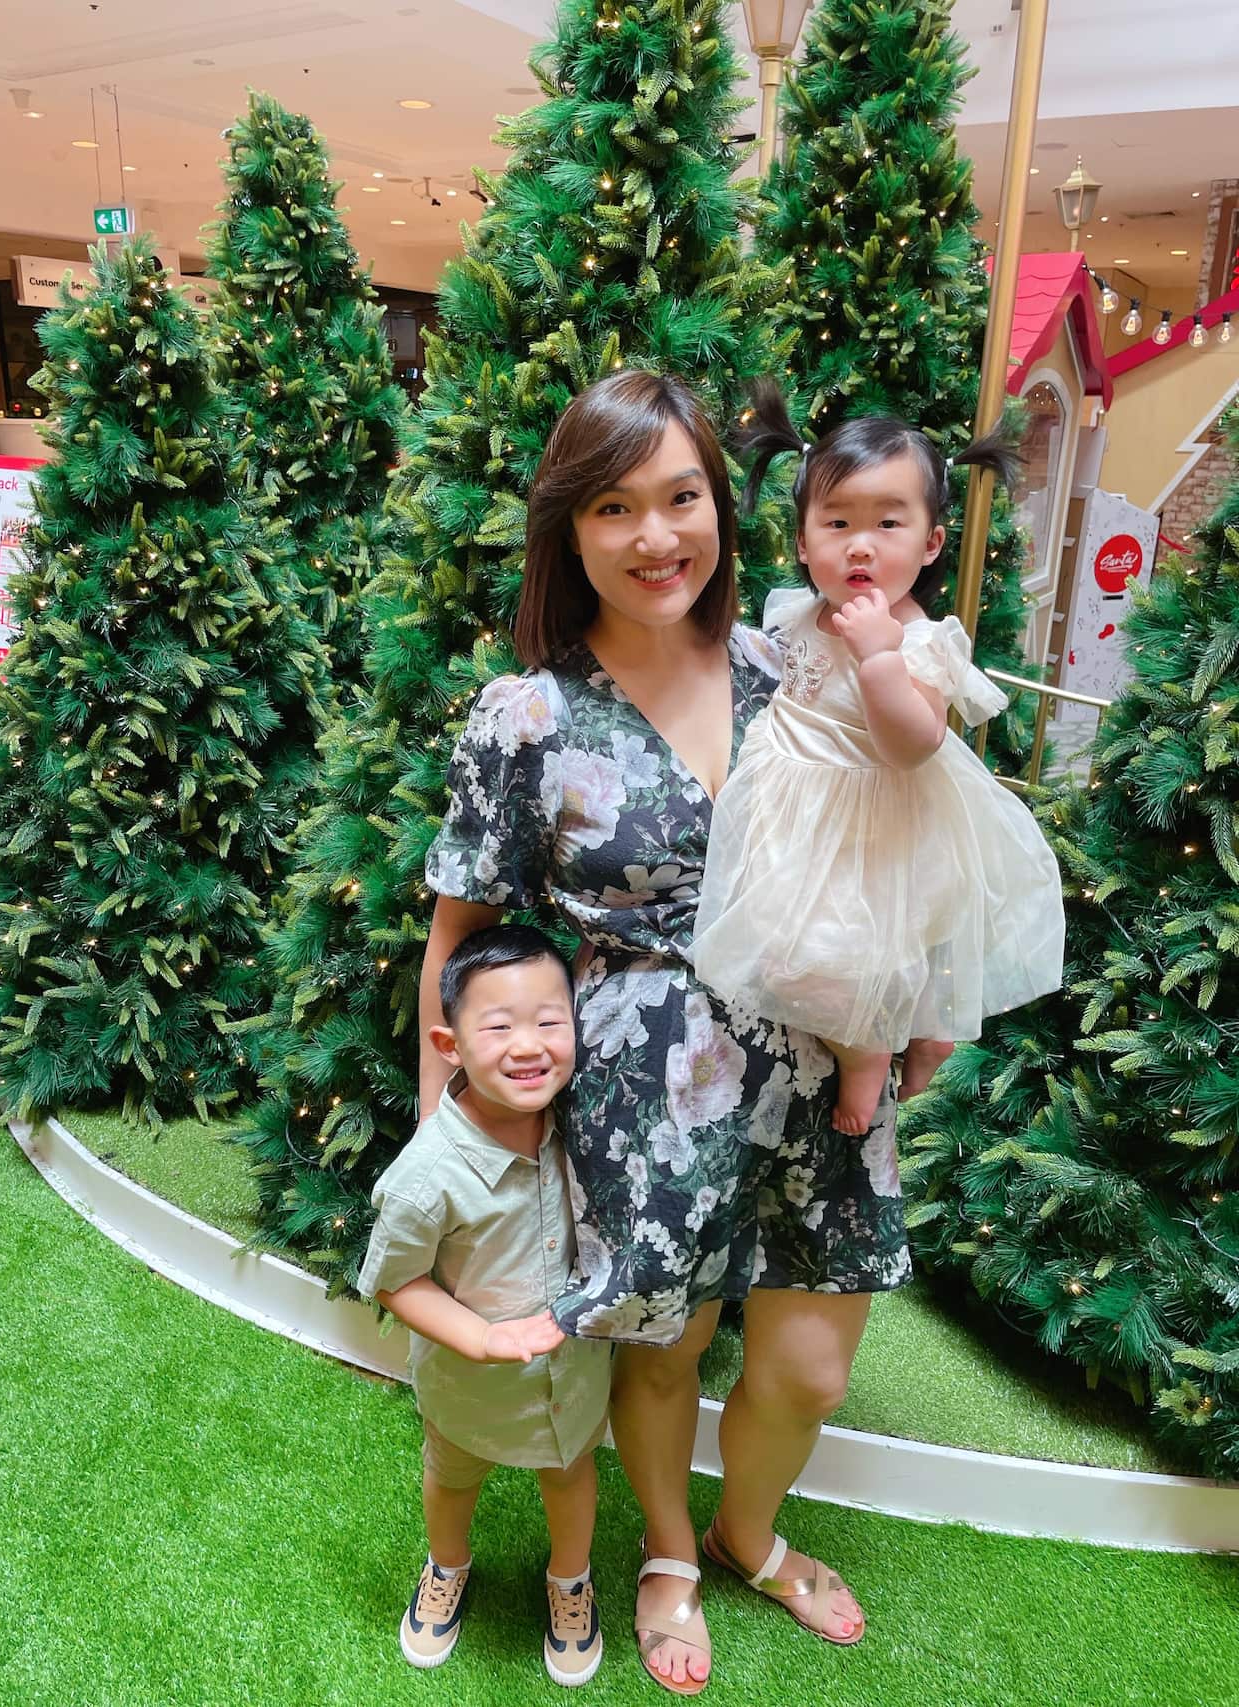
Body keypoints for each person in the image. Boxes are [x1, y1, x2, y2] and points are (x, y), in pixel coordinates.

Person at [420, 370, 907, 1695]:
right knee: (665, 1344)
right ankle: (675, 1552)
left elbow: (892, 843)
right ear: (568, 528)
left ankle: (754, 1528)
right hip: (646, 1081)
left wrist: (915, 1005)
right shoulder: (525, 713)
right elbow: (458, 934)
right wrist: (441, 1130)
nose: (654, 534)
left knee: (806, 1368)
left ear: (721, 507)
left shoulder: (792, 665)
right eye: (615, 504)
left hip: (820, 1063)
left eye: (681, 495)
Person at [694, 382, 1065, 1134]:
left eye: (888, 522)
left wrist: (879, 661)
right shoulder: (796, 610)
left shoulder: (920, 641)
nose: (860, 544)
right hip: (797, 802)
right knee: (786, 938)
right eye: (836, 522)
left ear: (931, 543)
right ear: (802, 541)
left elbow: (914, 743)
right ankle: (923, 1031)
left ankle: (871, 1057)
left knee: (853, 954)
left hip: (872, 822)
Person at [357, 923, 610, 1687]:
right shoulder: (427, 1171)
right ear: (449, 1042)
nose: (528, 1045)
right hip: (466, 1384)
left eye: (549, 1020)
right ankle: (447, 1566)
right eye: (498, 1026)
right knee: (452, 1475)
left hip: (571, 1376)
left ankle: (571, 1581)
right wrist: (477, 1336)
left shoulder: (585, 1124)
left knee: (571, 1474)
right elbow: (397, 1279)